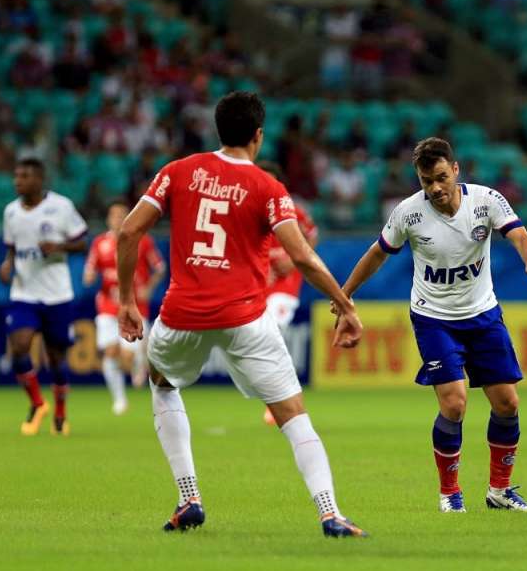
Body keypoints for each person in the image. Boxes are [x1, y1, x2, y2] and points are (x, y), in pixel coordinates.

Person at [115, 91, 368, 537]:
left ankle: (188, 495)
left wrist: (126, 302)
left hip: (181, 317)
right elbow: (304, 257)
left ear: (218, 130)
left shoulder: (177, 171)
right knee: (292, 413)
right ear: (258, 135)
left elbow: (129, 231)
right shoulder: (268, 187)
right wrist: (344, 304)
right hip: (246, 318)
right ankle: (330, 512)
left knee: (161, 383)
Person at [338, 137, 527, 514]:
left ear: (455, 170)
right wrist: (345, 295)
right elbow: (377, 254)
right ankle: (450, 494)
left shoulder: (486, 200)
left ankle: (499, 491)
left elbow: (520, 235)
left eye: (440, 177)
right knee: (454, 404)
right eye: (426, 181)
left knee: (507, 403)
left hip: (484, 315)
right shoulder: (408, 213)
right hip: (434, 318)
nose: (435, 188)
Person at [0, 158, 88, 437]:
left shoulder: (61, 207)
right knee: (19, 346)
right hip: (24, 292)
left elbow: (82, 241)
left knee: (55, 358)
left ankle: (60, 411)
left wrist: (59, 246)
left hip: (57, 295)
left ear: (39, 180)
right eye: (16, 176)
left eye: (24, 176)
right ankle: (38, 404)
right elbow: (12, 248)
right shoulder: (11, 212)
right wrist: (7, 263)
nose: (17, 181)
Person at [84, 200, 166, 415]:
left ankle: (140, 361)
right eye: (114, 215)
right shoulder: (100, 243)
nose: (118, 219)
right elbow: (90, 270)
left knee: (127, 358)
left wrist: (148, 287)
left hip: (135, 306)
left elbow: (159, 267)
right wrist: (89, 276)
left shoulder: (142, 240)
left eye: (122, 215)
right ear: (108, 219)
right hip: (107, 305)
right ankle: (119, 399)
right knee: (110, 352)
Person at [258, 161, 319, 426]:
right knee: (264, 340)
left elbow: (312, 235)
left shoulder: (291, 208)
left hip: (285, 287)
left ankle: (280, 400)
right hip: (259, 286)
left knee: (273, 331)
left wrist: (295, 260)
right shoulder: (248, 209)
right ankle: (283, 397)